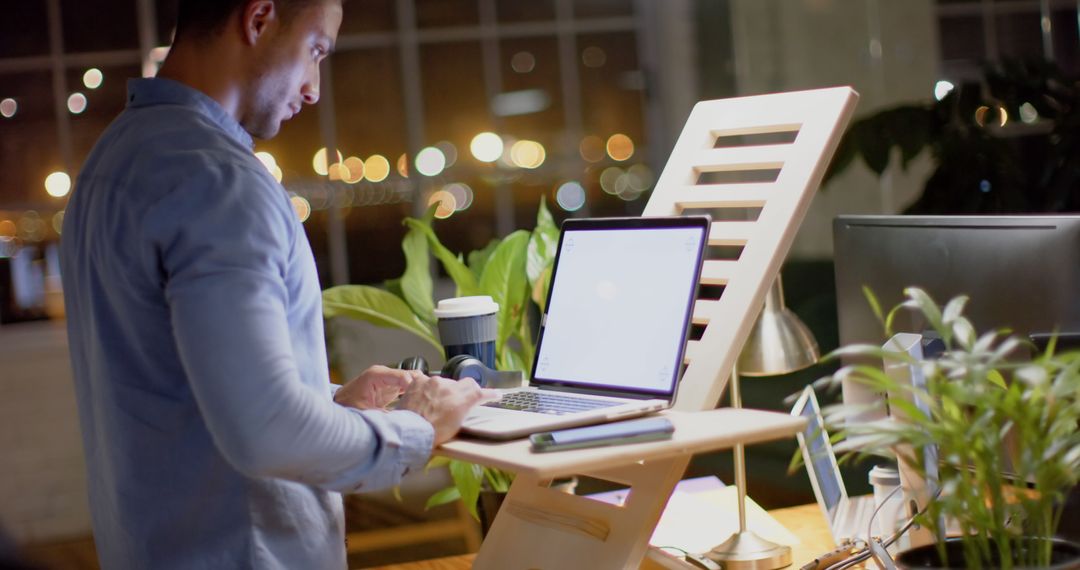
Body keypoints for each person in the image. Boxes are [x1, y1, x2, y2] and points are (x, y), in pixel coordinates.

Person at [59, 1, 495, 568]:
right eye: (315, 50)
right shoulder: (220, 182)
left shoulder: (111, 163)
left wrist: (332, 404)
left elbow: (186, 399)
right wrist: (419, 428)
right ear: (259, 18)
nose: (314, 88)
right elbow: (266, 428)